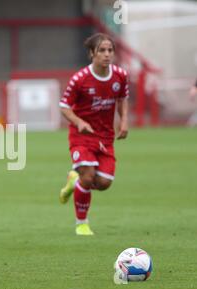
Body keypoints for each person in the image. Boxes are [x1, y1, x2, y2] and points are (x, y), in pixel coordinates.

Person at [58, 33, 129, 236]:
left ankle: (74, 181)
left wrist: (123, 121)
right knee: (88, 177)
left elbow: (122, 98)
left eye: (110, 50)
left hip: (105, 137)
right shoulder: (80, 79)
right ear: (92, 53)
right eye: (102, 51)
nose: (107, 55)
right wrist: (79, 122)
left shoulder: (120, 76)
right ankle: (82, 223)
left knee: (104, 183)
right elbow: (64, 106)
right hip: (82, 136)